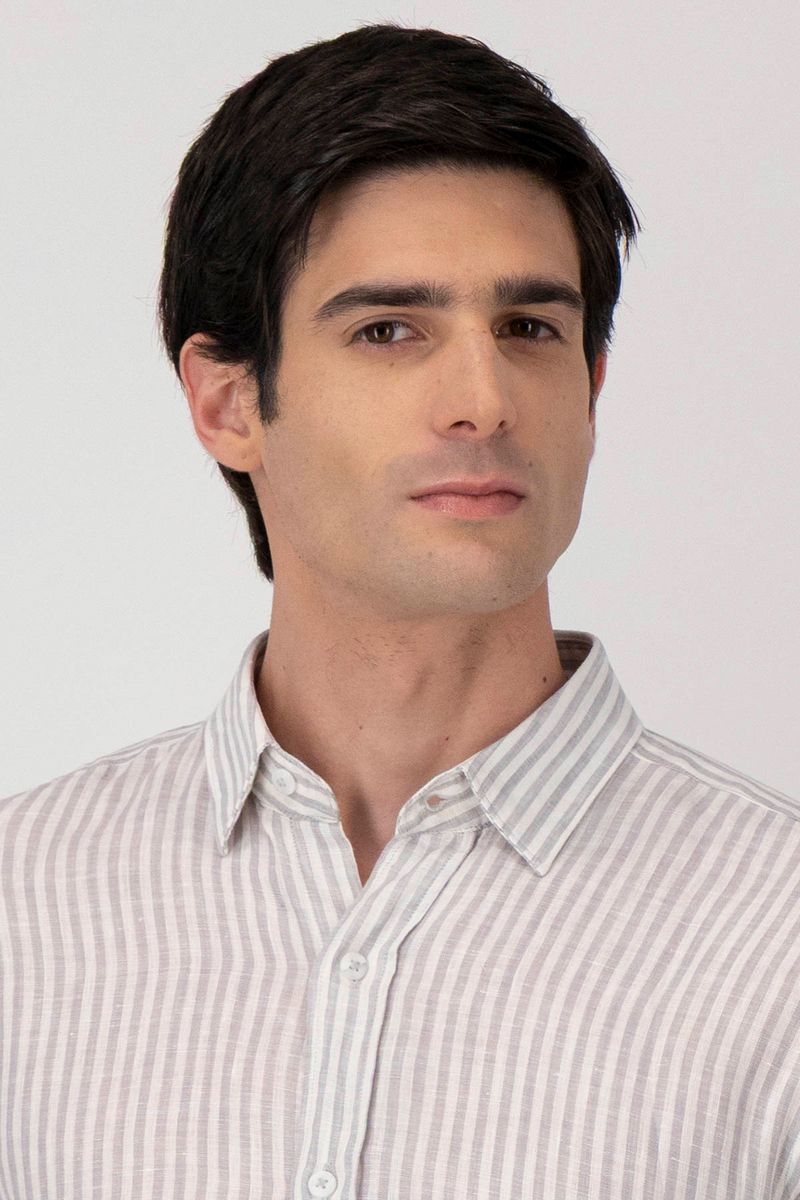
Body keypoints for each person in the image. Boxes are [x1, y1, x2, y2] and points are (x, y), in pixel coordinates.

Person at [1, 22, 798, 1200]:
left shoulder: (777, 940)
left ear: (589, 388)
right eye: (387, 330)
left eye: (529, 329)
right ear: (227, 403)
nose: (483, 399)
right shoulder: (23, 909)